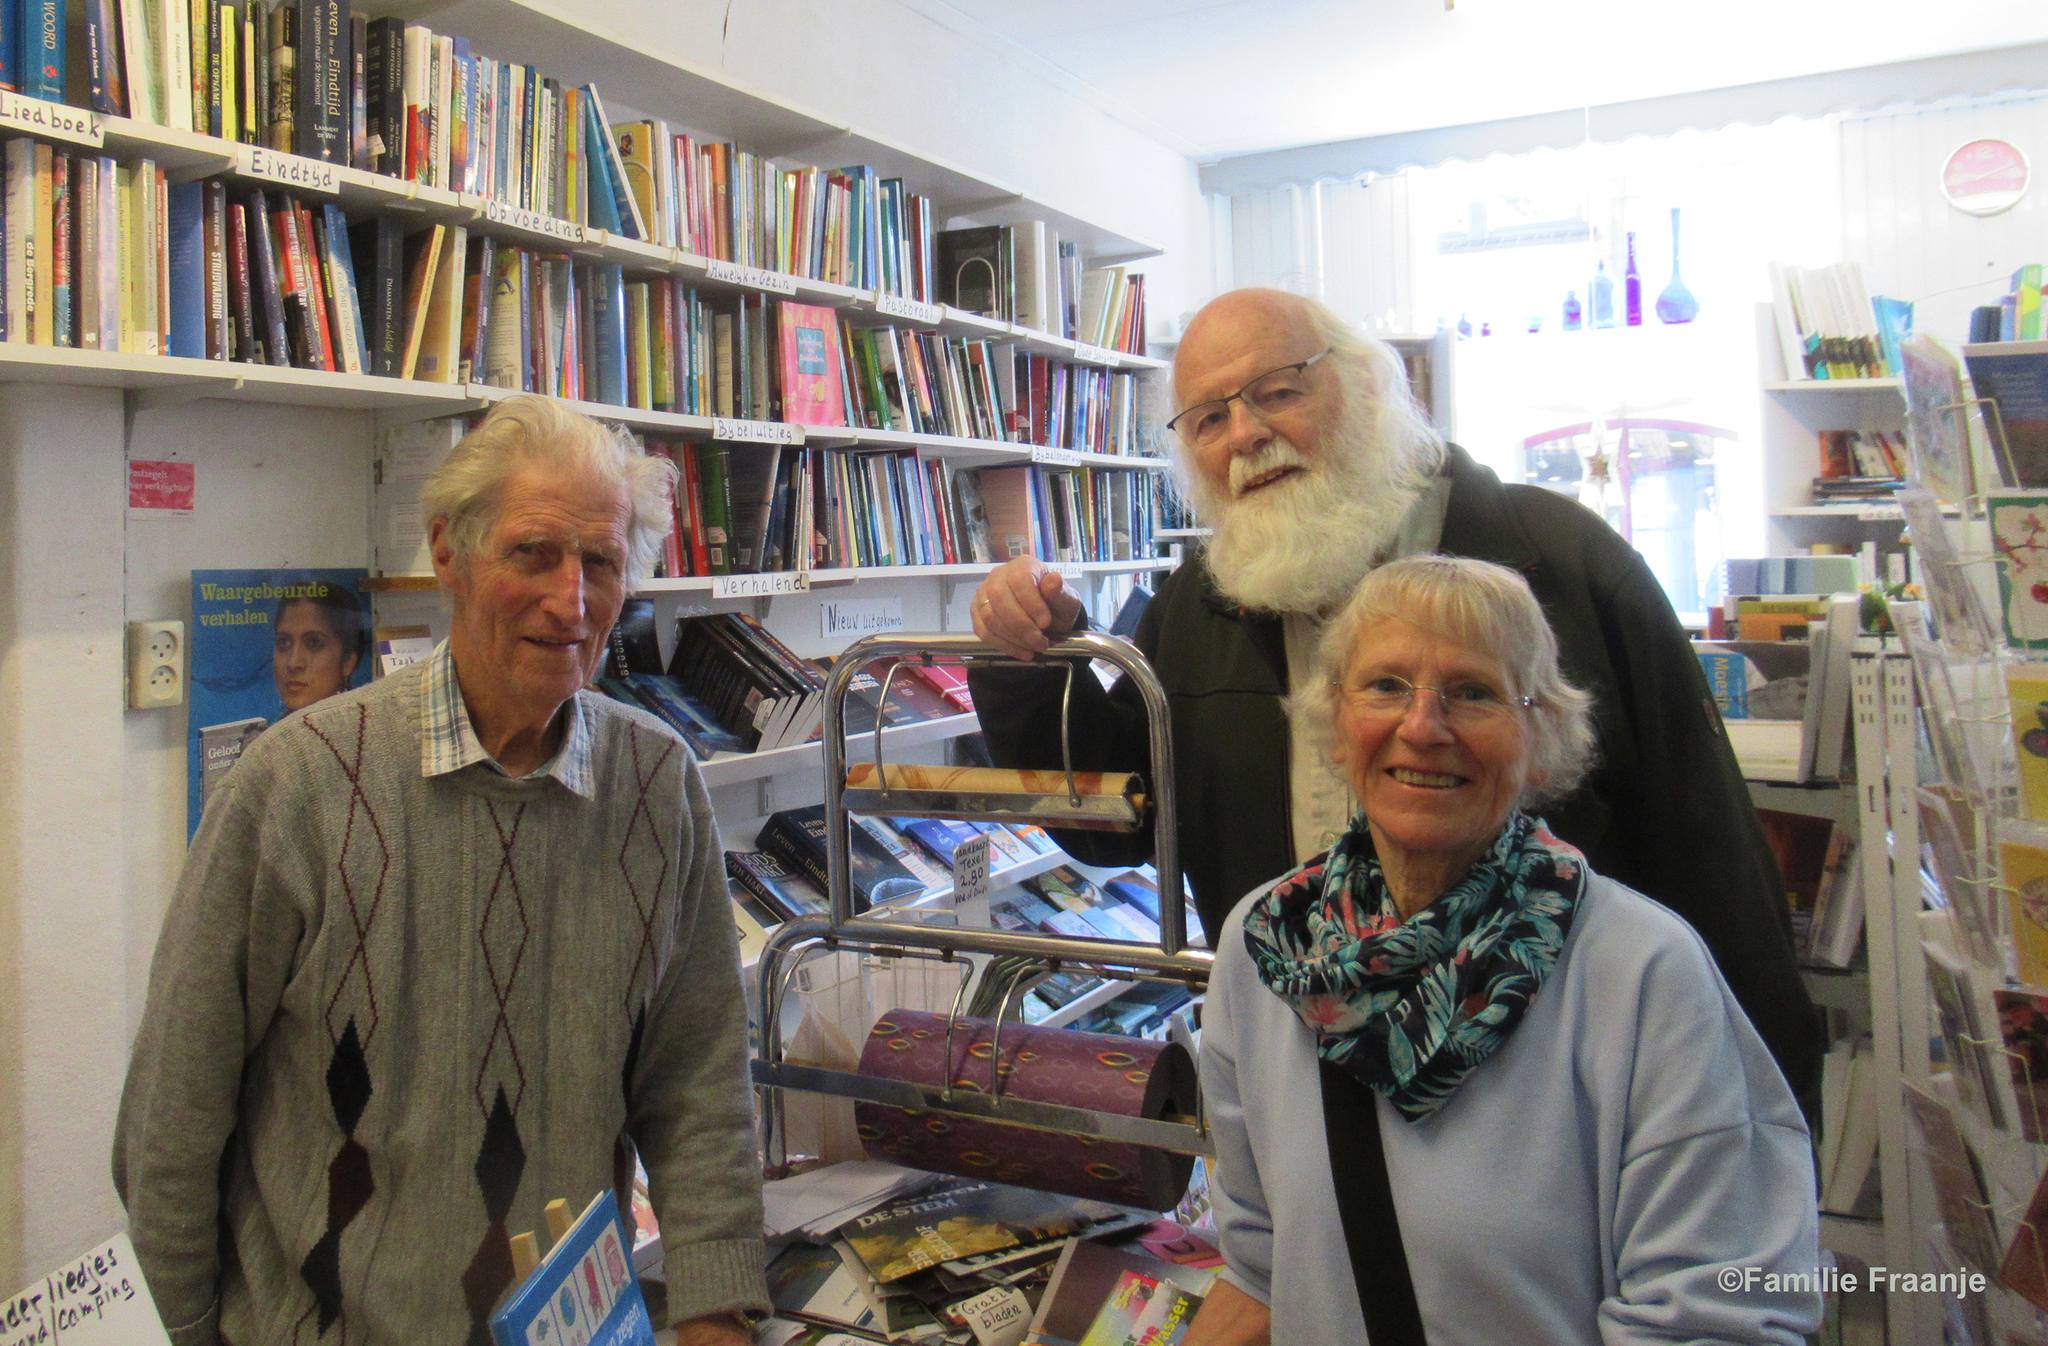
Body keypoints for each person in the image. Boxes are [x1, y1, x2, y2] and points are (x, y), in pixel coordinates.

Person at [967, 287, 1820, 1108]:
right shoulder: (1201, 604)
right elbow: (1115, 823)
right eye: (1210, 419)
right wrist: (1034, 662)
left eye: (1278, 392)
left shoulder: (1562, 562)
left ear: (1372, 387)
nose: (1248, 435)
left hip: (1566, 1083)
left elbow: (1707, 847)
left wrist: (1768, 1106)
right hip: (1301, 1075)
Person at [114, 396, 767, 1346]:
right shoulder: (298, 784)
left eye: (601, 563)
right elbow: (173, 1114)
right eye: (533, 553)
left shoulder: (659, 784)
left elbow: (699, 1086)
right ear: (448, 555)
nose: (571, 601)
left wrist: (716, 1315)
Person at [1186, 555, 1820, 1344]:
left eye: (1474, 692)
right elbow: (1261, 1268)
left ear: (1541, 736)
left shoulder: (1640, 972)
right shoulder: (1268, 950)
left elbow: (1712, 1319)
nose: (1423, 727)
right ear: (1335, 720)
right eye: (1385, 686)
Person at [272, 584, 366, 714]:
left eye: (313, 643)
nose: (293, 663)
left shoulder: (364, 730)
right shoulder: (273, 731)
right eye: (283, 643)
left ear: (348, 661)